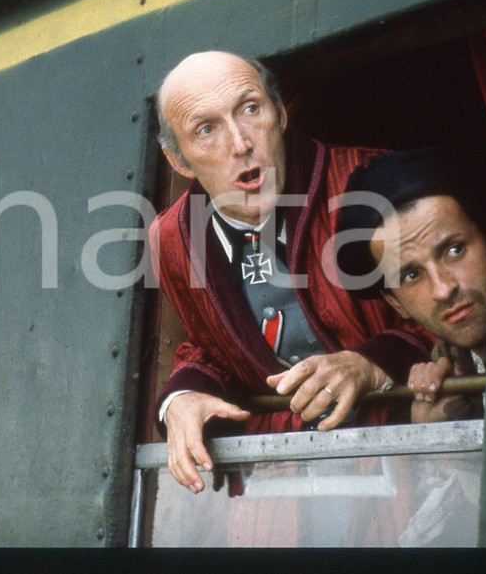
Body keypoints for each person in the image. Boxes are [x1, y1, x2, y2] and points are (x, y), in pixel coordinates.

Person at [149, 51, 431, 495]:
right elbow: (208, 346)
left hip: (407, 469)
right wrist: (180, 397)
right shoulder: (170, 237)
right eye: (206, 129)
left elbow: (462, 309)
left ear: (280, 112)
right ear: (179, 160)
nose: (240, 143)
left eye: (250, 109)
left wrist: (372, 363)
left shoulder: (373, 183)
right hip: (281, 490)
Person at [336, 145, 486, 423]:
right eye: (411, 275)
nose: (443, 289)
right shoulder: (446, 365)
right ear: (396, 302)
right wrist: (433, 440)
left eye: (454, 250)